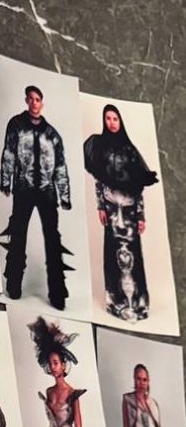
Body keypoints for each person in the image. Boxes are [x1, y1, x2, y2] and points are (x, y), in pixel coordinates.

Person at [0, 85, 73, 309]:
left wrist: (64, 195)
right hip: (24, 187)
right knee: (18, 233)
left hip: (47, 191)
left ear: (42, 103)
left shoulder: (52, 134)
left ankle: (57, 294)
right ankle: (14, 285)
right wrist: (6, 180)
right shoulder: (16, 125)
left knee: (52, 238)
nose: (34, 103)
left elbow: (60, 165)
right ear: (26, 101)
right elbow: (9, 152)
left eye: (38, 99)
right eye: (30, 99)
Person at [83, 104, 159, 321]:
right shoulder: (100, 148)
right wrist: (100, 206)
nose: (111, 123)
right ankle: (116, 302)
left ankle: (138, 303)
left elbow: (138, 186)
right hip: (110, 209)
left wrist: (141, 216)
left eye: (115, 118)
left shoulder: (130, 151)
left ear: (120, 121)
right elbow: (99, 180)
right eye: (107, 118)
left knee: (133, 255)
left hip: (130, 211)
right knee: (112, 253)